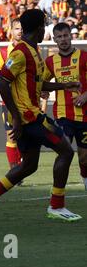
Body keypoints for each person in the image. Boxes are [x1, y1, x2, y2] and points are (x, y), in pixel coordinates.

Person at [0, 9, 82, 223]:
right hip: (29, 118)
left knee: (29, 166)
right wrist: (15, 116)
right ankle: (56, 206)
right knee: (66, 151)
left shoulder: (33, 51)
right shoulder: (21, 52)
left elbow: (39, 83)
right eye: (45, 26)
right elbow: (1, 81)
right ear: (40, 28)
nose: (46, 30)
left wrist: (65, 85)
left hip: (28, 118)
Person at [45, 22, 87, 191]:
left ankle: (84, 178)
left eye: (65, 35)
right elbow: (41, 82)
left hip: (84, 115)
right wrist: (43, 91)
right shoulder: (50, 62)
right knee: (65, 152)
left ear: (71, 36)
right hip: (62, 114)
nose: (63, 39)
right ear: (54, 39)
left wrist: (86, 95)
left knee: (84, 158)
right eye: (59, 37)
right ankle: (57, 193)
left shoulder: (83, 57)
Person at [0, 19, 24, 174]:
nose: (20, 31)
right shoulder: (4, 52)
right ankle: (14, 172)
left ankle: (22, 164)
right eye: (17, 28)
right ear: (11, 30)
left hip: (26, 101)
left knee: (26, 136)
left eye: (22, 29)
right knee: (11, 136)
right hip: (8, 101)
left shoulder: (31, 50)